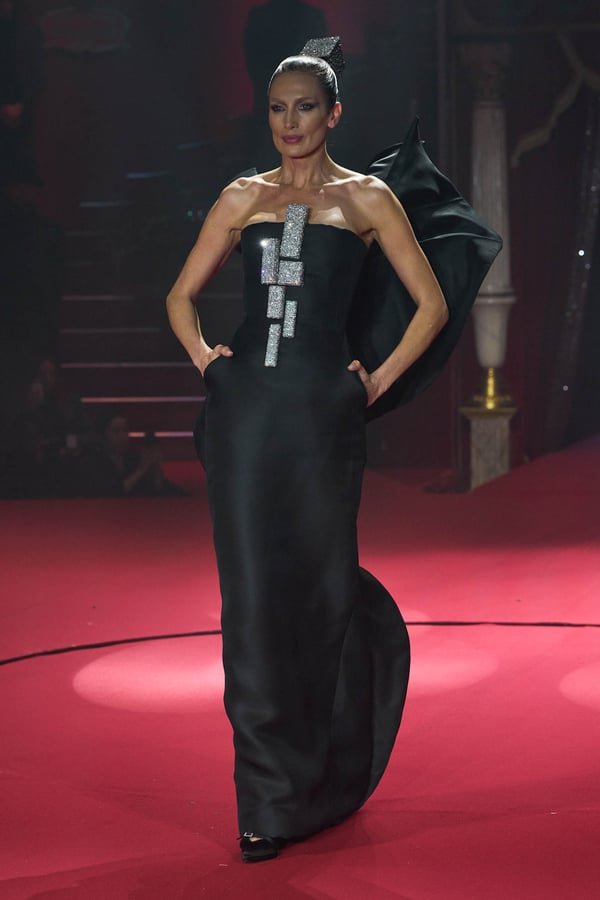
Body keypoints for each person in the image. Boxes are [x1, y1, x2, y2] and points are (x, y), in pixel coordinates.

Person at [167, 37, 499, 863]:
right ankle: (264, 804)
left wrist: (374, 381)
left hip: (322, 420)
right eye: (277, 109)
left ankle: (320, 776)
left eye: (305, 108)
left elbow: (430, 304)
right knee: (250, 604)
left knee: (319, 595)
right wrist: (210, 362)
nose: (289, 123)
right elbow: (180, 296)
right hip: (247, 422)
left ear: (334, 113)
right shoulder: (242, 195)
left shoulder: (367, 198)